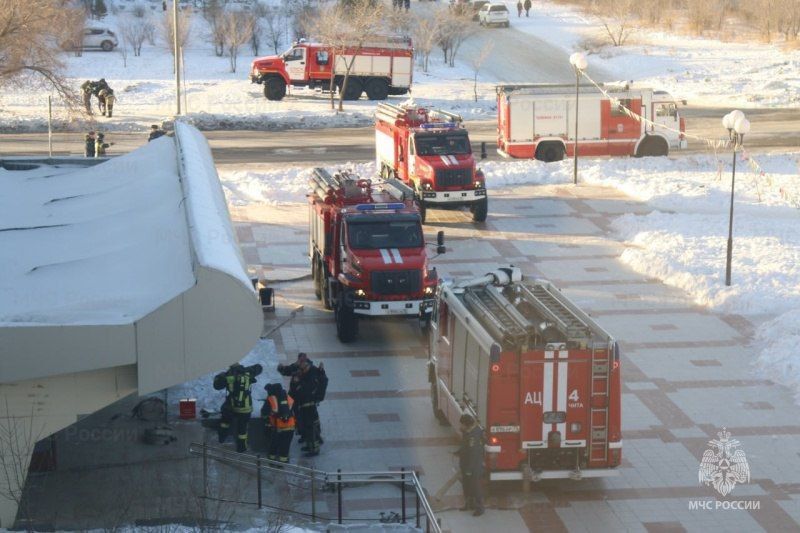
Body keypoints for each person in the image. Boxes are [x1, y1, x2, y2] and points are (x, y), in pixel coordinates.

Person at [278, 354, 327, 456]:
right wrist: (281, 369)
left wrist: (297, 384)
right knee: (304, 424)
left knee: (310, 426)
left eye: (302, 368)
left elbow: (305, 390)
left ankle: (314, 447)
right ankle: (308, 442)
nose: (300, 370)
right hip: (299, 403)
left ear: (307, 364)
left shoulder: (313, 374)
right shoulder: (300, 367)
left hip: (308, 404)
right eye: (299, 365)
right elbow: (290, 370)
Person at [213, 362, 263, 452]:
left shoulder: (228, 375)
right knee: (242, 430)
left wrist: (220, 377)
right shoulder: (248, 372)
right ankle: (241, 448)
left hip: (231, 406)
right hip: (246, 407)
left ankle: (221, 438)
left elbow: (216, 386)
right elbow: (259, 367)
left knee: (225, 421)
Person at [457, 413, 485, 516]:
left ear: (466, 424)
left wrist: (469, 469)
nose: (460, 426)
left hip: (473, 466)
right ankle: (469, 504)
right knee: (466, 485)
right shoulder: (467, 432)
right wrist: (458, 452)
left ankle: (479, 507)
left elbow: (473, 454)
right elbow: (465, 446)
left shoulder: (474, 435)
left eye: (462, 424)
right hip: (466, 464)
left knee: (475, 487)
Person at [263, 383, 295, 463]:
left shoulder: (271, 398)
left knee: (274, 444)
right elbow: (292, 409)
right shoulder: (287, 396)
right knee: (285, 445)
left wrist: (268, 421)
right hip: (290, 426)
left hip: (279, 427)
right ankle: (283, 461)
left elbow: (264, 412)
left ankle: (271, 460)